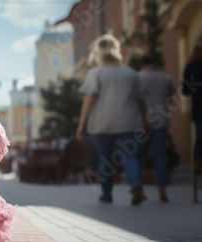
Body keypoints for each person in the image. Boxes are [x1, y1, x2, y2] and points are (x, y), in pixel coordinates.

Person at [76, 34, 148, 205]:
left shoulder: (96, 73)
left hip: (102, 123)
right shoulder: (131, 74)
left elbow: (89, 99)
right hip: (129, 121)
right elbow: (141, 100)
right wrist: (145, 121)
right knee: (129, 155)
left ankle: (107, 194)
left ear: (98, 52)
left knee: (105, 158)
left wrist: (81, 126)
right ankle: (136, 185)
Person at [138, 55, 176, 202]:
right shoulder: (165, 78)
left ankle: (139, 190)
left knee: (138, 157)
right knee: (160, 156)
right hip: (161, 120)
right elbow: (170, 97)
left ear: (142, 64)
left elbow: (135, 99)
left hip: (142, 122)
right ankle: (161, 190)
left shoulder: (138, 77)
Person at [182, 44, 202, 173]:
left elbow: (185, 91)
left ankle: (198, 164)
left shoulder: (190, 67)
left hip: (198, 108)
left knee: (199, 139)